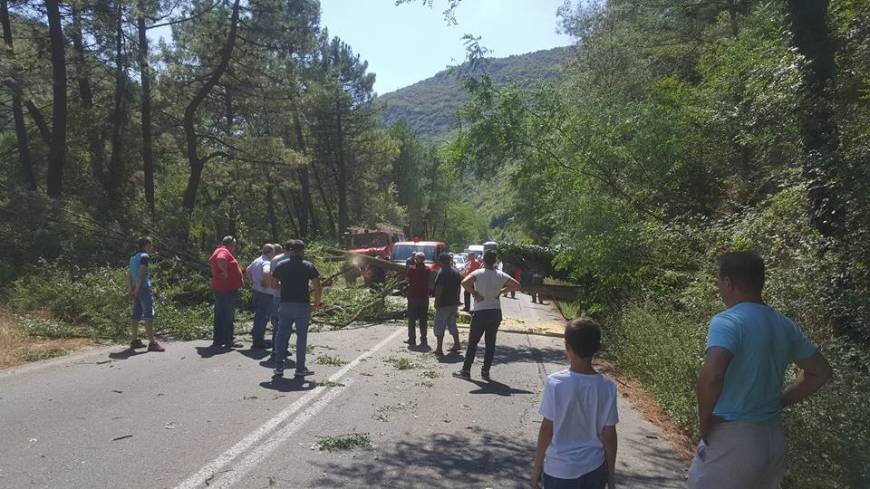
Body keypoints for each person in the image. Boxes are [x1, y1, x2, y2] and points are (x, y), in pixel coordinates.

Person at [689, 251, 832, 489]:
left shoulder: (728, 321)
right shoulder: (784, 324)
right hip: (771, 441)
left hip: (734, 440)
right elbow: (821, 371)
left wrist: (704, 422)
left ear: (728, 282)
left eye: (719, 282)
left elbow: (712, 376)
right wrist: (780, 401)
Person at [531, 318, 618, 489]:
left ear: (567, 347)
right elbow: (609, 435)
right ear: (596, 349)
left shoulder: (555, 383)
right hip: (594, 468)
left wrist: (537, 468)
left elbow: (547, 429)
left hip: (559, 470)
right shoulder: (607, 387)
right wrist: (611, 474)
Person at [454, 249, 520, 380]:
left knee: (473, 342)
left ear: (483, 260)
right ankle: (485, 371)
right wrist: (502, 291)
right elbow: (516, 285)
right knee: (490, 343)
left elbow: (464, 282)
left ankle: (466, 370)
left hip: (480, 312)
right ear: (495, 261)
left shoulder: (478, 273)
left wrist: (474, 293)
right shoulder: (500, 275)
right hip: (495, 312)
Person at [270, 240, 322, 378]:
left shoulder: (281, 265)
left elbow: (273, 284)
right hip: (302, 306)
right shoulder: (308, 266)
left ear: (291, 251)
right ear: (302, 251)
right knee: (301, 338)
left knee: (282, 336)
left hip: (285, 304)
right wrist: (316, 303)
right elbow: (317, 286)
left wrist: (285, 285)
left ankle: (278, 367)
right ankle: (300, 368)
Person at [127, 237, 164, 352]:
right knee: (149, 314)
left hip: (135, 288)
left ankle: (134, 340)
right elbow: (141, 273)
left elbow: (128, 274)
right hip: (142, 288)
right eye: (150, 245)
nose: (151, 248)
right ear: (147, 245)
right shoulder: (145, 256)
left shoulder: (132, 257)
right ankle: (152, 343)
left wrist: (131, 290)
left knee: (136, 314)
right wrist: (138, 289)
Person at [209, 236, 244, 348]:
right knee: (228, 315)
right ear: (230, 244)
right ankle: (228, 340)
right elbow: (221, 259)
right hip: (226, 289)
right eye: (234, 244)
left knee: (220, 314)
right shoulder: (223, 251)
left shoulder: (218, 250)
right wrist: (224, 272)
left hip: (221, 288)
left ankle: (218, 340)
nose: (235, 247)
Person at [246, 244, 277, 349]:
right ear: (270, 252)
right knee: (263, 318)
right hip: (265, 294)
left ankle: (257, 339)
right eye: (273, 252)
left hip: (256, 291)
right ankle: (258, 342)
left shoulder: (257, 260)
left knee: (258, 317)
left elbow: (247, 271)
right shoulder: (266, 262)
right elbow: (267, 272)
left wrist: (255, 282)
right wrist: (265, 282)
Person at [433, 252, 462, 356]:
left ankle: (439, 349)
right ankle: (457, 344)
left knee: (439, 324)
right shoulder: (456, 271)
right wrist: (457, 299)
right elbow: (459, 288)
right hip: (453, 303)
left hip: (444, 304)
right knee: (452, 324)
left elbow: (439, 289)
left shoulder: (442, 272)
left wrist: (437, 302)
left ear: (441, 261)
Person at [263, 243, 285, 360]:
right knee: (284, 323)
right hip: (285, 295)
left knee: (277, 323)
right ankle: (281, 349)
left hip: (276, 295)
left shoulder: (274, 260)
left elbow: (271, 278)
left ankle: (276, 349)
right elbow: (269, 275)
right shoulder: (286, 259)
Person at [405, 251, 430, 348]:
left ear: (416, 259)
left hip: (413, 297)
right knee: (423, 319)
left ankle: (412, 339)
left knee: (412, 319)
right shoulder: (427, 269)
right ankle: (423, 339)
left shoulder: (411, 268)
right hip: (424, 297)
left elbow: (407, 280)